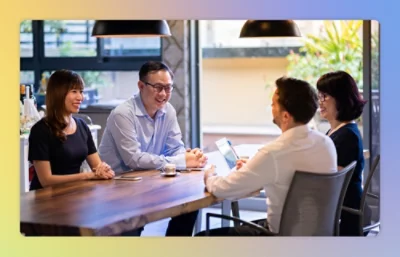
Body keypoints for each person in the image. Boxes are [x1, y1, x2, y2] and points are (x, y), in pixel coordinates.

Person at [196, 76, 338, 236]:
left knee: (201, 237)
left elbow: (224, 189)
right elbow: (285, 172)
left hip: (279, 239)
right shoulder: (326, 144)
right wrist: (254, 168)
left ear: (285, 116)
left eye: (273, 104)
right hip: (318, 236)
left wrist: (209, 176)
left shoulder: (273, 153)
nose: (271, 107)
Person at [98, 61, 206, 236]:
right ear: (141, 86)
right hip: (117, 188)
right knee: (131, 226)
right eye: (157, 87)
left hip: (148, 181)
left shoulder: (168, 110)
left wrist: (189, 157)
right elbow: (133, 159)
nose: (163, 94)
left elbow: (175, 148)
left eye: (168, 88)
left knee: (190, 203)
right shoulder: (122, 114)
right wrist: (181, 162)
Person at [28, 70, 115, 191]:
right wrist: (87, 176)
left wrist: (104, 170)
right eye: (74, 91)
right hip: (46, 199)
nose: (80, 97)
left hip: (74, 194)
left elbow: (97, 166)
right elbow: (46, 181)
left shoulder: (82, 126)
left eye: (81, 92)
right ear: (58, 94)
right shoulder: (40, 130)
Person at [316, 70, 369, 236]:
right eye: (319, 96)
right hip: (338, 211)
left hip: (344, 217)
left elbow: (331, 183)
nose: (320, 101)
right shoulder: (337, 131)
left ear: (341, 98)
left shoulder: (347, 136)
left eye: (325, 96)